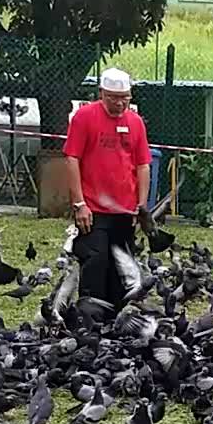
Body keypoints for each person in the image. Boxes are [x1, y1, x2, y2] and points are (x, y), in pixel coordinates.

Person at [62, 67, 153, 310]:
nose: (120, 103)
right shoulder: (84, 117)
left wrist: (141, 207)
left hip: (125, 210)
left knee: (121, 265)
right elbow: (72, 159)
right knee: (95, 260)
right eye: (113, 97)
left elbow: (143, 165)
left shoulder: (135, 123)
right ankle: (89, 320)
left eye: (125, 97)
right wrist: (79, 204)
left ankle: (117, 321)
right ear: (101, 93)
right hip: (93, 209)